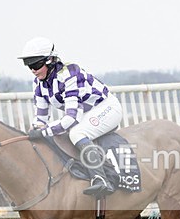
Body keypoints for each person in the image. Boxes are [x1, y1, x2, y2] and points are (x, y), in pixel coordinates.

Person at [19, 37, 123, 198]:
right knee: (55, 134)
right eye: (28, 65)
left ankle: (101, 178)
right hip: (86, 113)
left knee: (76, 133)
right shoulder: (38, 83)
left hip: (107, 108)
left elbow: (71, 119)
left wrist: (44, 131)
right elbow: (41, 119)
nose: (33, 70)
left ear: (50, 60)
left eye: (36, 64)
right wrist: (34, 130)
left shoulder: (69, 73)